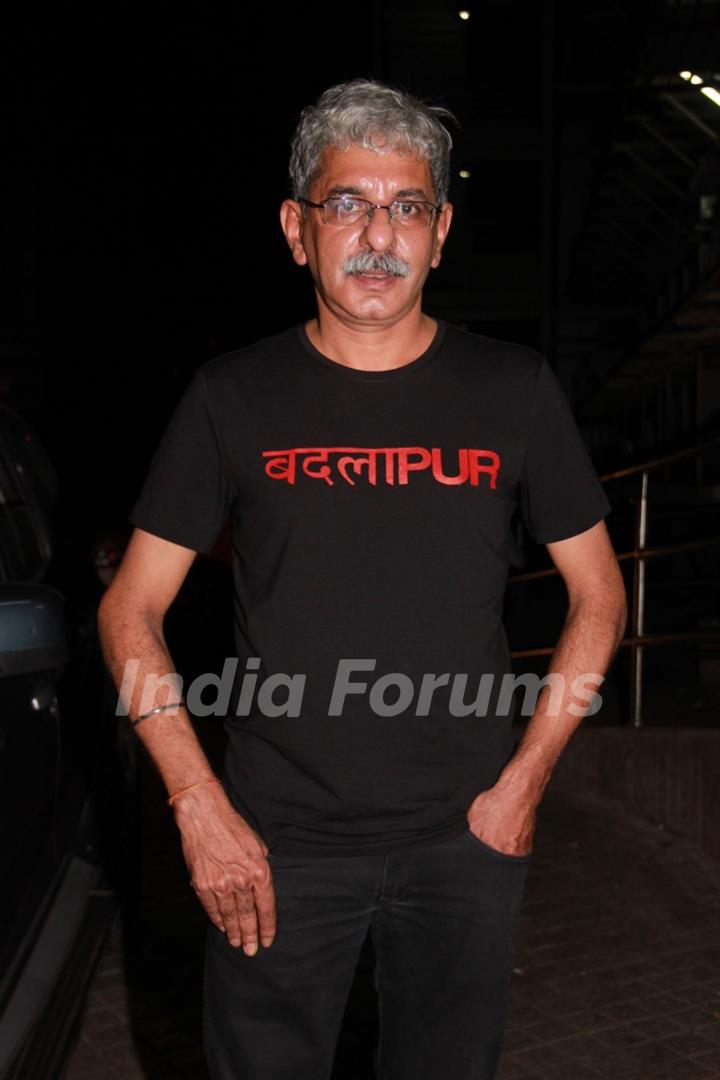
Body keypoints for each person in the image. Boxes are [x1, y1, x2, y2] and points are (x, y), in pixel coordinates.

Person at [98, 79, 627, 1080]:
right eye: (347, 203)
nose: (377, 232)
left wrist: (526, 781)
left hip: (467, 836)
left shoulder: (512, 390)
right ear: (298, 230)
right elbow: (130, 608)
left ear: (441, 231)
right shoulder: (231, 396)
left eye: (407, 205)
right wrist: (199, 809)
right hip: (272, 842)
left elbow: (599, 593)